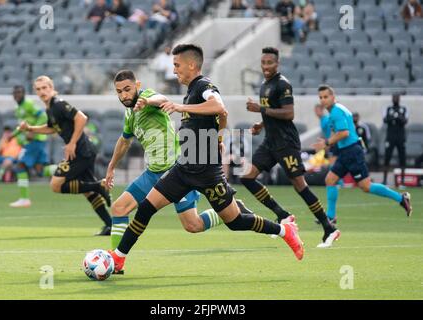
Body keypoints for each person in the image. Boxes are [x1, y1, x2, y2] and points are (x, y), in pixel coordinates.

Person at [108, 44, 304, 273]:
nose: (174, 71)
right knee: (145, 209)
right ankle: (118, 258)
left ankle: (285, 231)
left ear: (192, 65)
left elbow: (219, 106)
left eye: (177, 65)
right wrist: (219, 136)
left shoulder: (204, 86)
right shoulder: (190, 91)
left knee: (236, 222)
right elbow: (223, 116)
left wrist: (181, 107)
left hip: (207, 171)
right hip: (183, 168)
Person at [105, 70, 255, 254]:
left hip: (177, 171)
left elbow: (161, 99)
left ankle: (232, 209)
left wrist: (147, 101)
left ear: (137, 85)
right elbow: (124, 141)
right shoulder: (130, 114)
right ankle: (114, 261)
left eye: (127, 89)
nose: (124, 95)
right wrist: (111, 168)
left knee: (193, 225)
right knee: (119, 208)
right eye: (119, 91)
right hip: (153, 172)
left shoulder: (146, 97)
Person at [240, 47, 338, 248]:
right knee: (247, 177)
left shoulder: (283, 84)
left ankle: (329, 228)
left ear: (277, 64)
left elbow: (288, 113)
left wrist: (261, 109)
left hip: (286, 142)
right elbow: (272, 113)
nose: (266, 66)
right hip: (271, 141)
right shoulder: (264, 84)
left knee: (299, 186)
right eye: (264, 63)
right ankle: (283, 215)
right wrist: (261, 123)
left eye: (270, 63)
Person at [312, 85, 412, 245]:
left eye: (326, 97)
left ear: (333, 96)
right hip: (346, 152)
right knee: (330, 180)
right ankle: (330, 216)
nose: (323, 100)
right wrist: (328, 143)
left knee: (366, 186)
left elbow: (344, 133)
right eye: (321, 97)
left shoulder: (336, 111)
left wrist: (327, 142)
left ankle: (401, 198)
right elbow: (340, 132)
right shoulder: (336, 111)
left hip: (352, 152)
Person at [18, 76, 113, 236]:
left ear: (51, 87)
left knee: (56, 184)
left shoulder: (59, 104)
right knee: (87, 191)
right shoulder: (50, 108)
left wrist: (72, 143)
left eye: (45, 87)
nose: (42, 92)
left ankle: (99, 186)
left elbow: (81, 118)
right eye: (38, 89)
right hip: (82, 152)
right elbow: (51, 128)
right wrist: (30, 128)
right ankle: (109, 225)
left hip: (81, 152)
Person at [10, 85, 55, 208]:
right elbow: (23, 126)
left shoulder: (28, 104)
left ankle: (24, 199)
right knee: (41, 170)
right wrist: (13, 135)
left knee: (20, 166)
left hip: (34, 140)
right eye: (15, 92)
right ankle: (68, 169)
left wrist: (32, 131)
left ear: (24, 94)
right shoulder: (18, 108)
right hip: (35, 141)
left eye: (19, 92)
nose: (17, 95)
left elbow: (43, 116)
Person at [382, 94, 408, 187]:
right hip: (390, 136)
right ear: (392, 99)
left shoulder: (404, 109)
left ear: (399, 99)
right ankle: (384, 181)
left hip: (401, 137)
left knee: (402, 158)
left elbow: (405, 121)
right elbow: (385, 119)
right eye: (394, 97)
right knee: (387, 158)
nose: (395, 99)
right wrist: (395, 116)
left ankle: (402, 182)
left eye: (397, 98)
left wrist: (397, 117)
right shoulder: (388, 108)